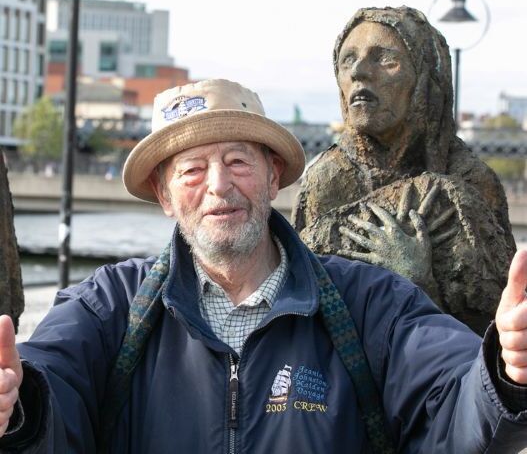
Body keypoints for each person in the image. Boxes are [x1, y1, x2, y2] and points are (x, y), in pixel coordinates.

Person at [0, 79, 526, 453]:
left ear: (273, 177)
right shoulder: (109, 306)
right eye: (191, 170)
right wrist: (14, 402)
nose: (218, 186)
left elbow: (454, 405)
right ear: (163, 194)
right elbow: (49, 384)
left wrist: (507, 369)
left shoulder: (372, 305)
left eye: (237, 161)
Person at [292, 7, 516, 334]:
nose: (359, 73)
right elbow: (300, 311)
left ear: (425, 80)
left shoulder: (469, 180)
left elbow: (497, 331)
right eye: (347, 60)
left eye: (385, 59)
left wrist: (417, 279)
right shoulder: (326, 179)